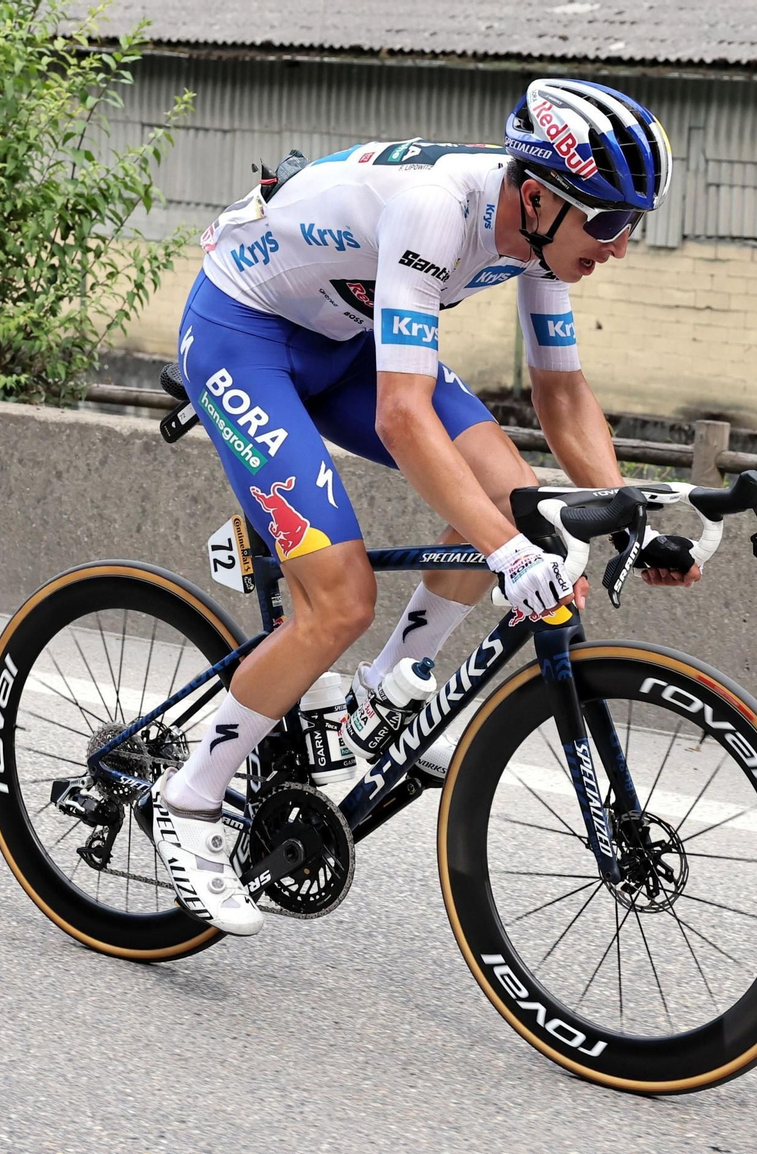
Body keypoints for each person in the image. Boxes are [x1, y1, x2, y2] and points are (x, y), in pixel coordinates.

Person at [153, 79, 699, 936]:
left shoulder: (541, 240)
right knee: (337, 601)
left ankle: (382, 694)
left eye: (633, 223)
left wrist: (624, 513)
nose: (620, 245)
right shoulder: (438, 211)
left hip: (345, 343)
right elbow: (402, 417)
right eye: (605, 222)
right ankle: (188, 801)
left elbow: (560, 395)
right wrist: (508, 556)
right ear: (537, 196)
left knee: (516, 504)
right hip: (245, 336)